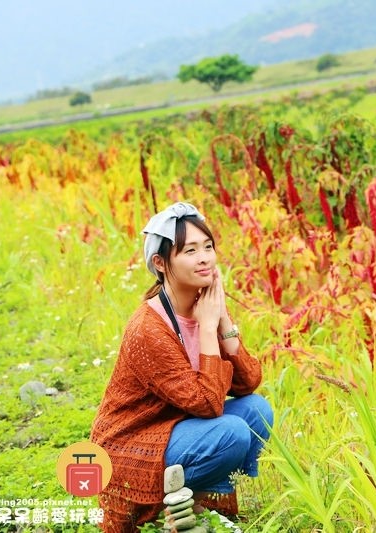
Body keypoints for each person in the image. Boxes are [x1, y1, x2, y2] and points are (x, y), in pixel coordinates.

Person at [90, 202, 274, 532]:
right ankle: (172, 507)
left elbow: (248, 383)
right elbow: (207, 405)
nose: (204, 258)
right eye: (190, 250)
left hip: (178, 429)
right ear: (160, 263)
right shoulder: (148, 328)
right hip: (130, 445)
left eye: (208, 247)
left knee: (257, 411)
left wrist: (223, 322)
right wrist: (206, 328)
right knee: (230, 432)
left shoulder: (203, 303)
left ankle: (192, 504)